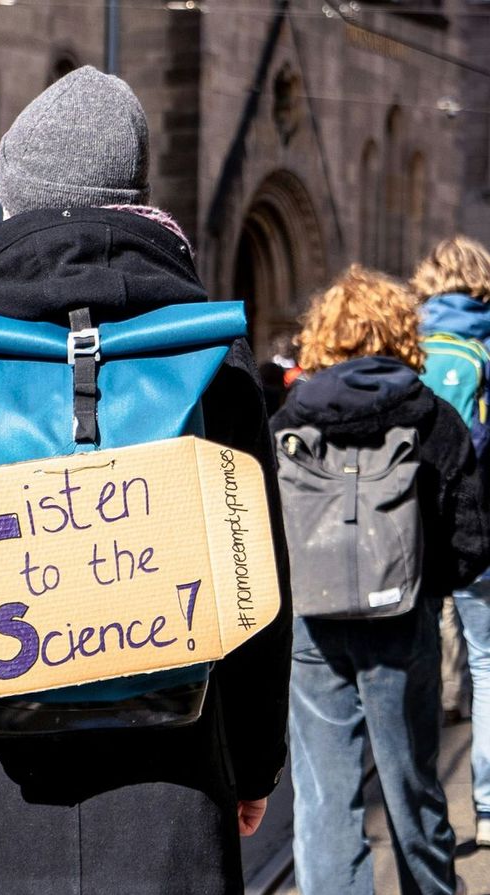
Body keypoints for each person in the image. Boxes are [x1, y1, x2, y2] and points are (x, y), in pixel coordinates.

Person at [0, 66, 292, 894]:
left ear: (15, 201)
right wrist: (251, 761)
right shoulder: (215, 354)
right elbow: (259, 582)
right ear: (135, 198)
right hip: (169, 773)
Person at [271, 265, 490, 895]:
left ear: (322, 336)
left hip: (312, 624)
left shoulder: (291, 421)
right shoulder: (434, 418)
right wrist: (430, 593)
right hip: (403, 620)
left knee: (324, 797)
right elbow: (470, 541)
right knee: (412, 787)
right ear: (402, 334)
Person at [412, 235, 490, 849]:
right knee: (487, 666)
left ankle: (422, 819)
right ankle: (487, 809)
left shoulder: (408, 341)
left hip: (411, 526)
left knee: (415, 670)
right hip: (483, 523)